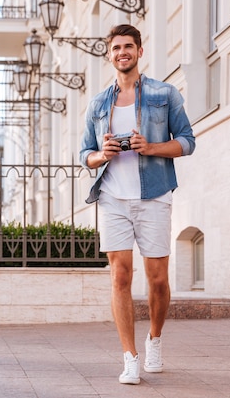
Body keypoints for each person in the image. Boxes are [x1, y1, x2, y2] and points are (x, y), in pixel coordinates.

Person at [79, 24, 196, 385]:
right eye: (116, 48)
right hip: (113, 196)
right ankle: (130, 357)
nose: (122, 52)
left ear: (139, 52)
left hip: (154, 194)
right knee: (120, 276)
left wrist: (152, 147)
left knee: (158, 279)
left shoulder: (165, 93)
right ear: (110, 54)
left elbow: (188, 142)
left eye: (128, 46)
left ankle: (154, 340)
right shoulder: (99, 102)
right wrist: (103, 153)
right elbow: (84, 153)